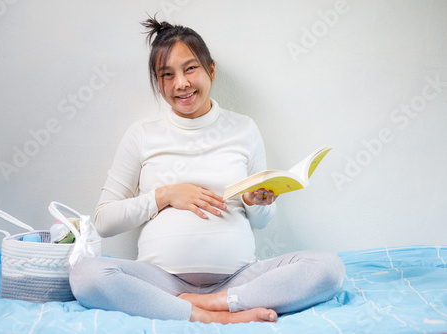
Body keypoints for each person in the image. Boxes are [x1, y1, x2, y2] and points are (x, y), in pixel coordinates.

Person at [69, 17, 346, 324]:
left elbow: (264, 221)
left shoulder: (244, 129)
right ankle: (216, 315)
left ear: (210, 70)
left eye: (190, 69)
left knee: (329, 268)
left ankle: (213, 303)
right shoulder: (141, 134)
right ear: (159, 84)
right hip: (161, 281)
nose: (181, 83)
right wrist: (164, 196)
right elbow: (104, 221)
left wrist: (259, 204)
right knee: (85, 275)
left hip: (237, 278)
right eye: (167, 75)